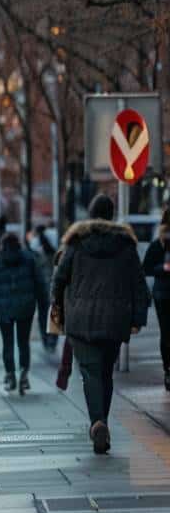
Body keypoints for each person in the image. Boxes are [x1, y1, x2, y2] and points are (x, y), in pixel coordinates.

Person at [51, 193, 150, 455]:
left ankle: (98, 423)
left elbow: (59, 278)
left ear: (91, 214)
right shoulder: (125, 245)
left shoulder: (76, 243)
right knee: (105, 372)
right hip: (115, 320)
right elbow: (139, 285)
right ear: (112, 214)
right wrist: (138, 319)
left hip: (80, 320)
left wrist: (58, 308)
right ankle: (101, 425)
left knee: (90, 373)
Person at [0, 232, 45, 394]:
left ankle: (10, 375)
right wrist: (43, 304)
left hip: (2, 307)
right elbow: (39, 283)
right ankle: (24, 374)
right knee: (23, 342)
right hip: (25, 307)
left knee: (7, 342)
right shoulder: (28, 259)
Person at [140, 210, 170, 391]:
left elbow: (147, 268)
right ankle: (168, 369)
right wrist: (165, 267)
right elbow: (148, 268)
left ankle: (167, 369)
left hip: (162, 294)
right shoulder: (159, 244)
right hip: (164, 294)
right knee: (166, 333)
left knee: (166, 333)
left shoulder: (158, 243)